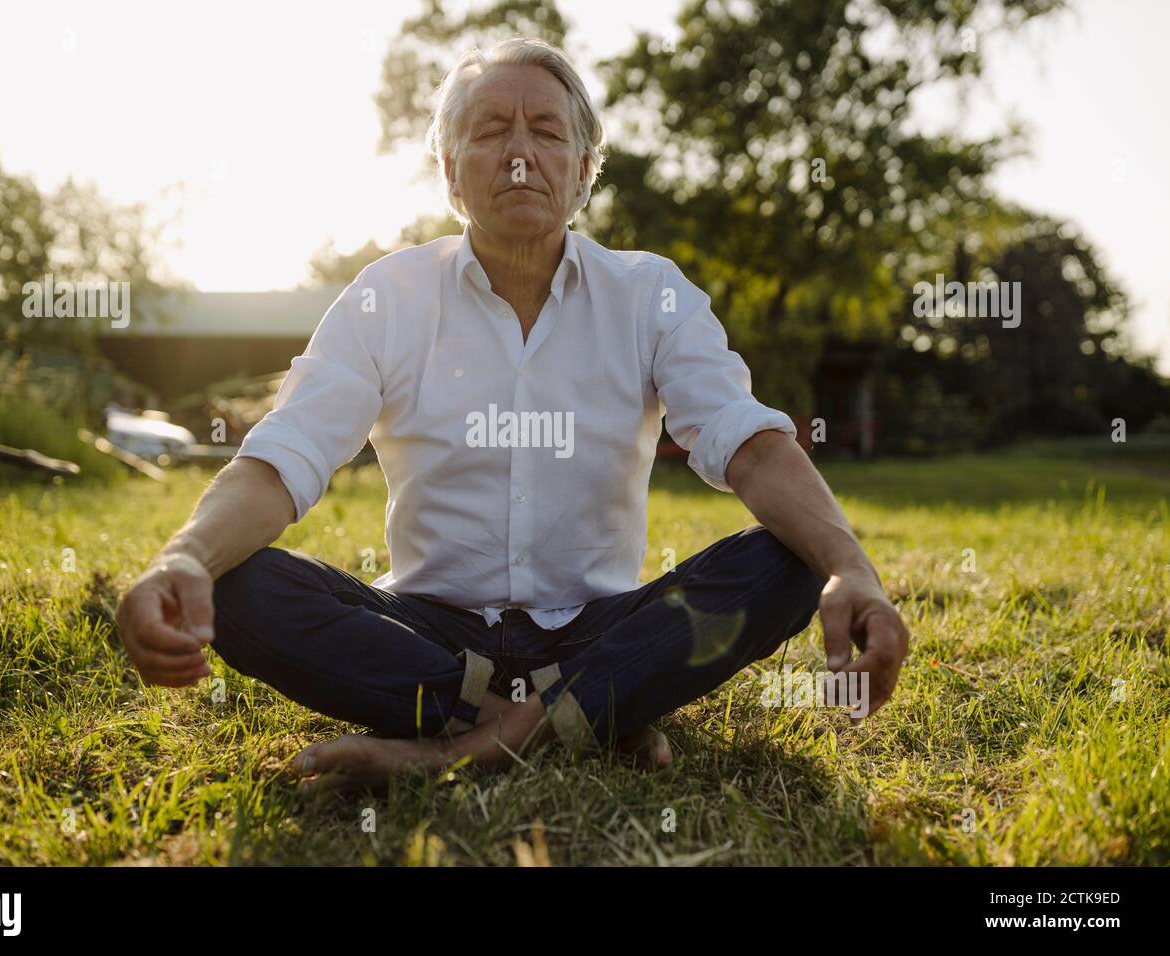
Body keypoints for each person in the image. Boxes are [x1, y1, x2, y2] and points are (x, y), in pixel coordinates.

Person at [117, 36, 909, 796]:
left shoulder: (649, 295)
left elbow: (749, 443)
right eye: (492, 130)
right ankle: (592, 716)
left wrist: (853, 570)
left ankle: (465, 746)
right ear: (450, 172)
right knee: (239, 580)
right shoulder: (388, 296)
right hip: (425, 635)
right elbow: (284, 455)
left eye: (547, 133)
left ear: (585, 168)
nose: (520, 153)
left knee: (789, 559)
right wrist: (181, 559)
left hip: (600, 628)